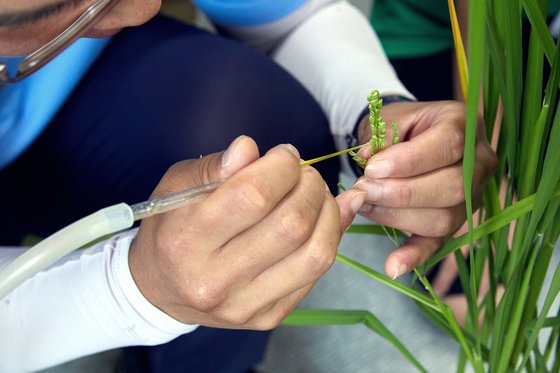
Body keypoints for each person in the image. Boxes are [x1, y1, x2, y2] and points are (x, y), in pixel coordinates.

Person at [0, 0, 496, 372]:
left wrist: (375, 112)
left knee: (256, 144)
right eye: (69, 6)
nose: (147, 6)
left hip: (70, 106)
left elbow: (290, 14)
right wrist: (128, 292)